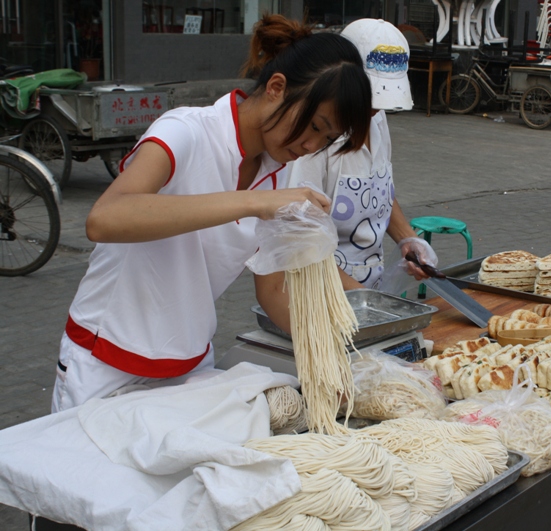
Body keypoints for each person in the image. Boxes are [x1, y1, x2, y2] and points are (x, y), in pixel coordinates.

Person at [50, 14, 373, 413]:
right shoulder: (185, 131)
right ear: (276, 88)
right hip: (106, 363)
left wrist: (328, 359)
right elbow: (106, 218)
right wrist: (252, 202)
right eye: (315, 126)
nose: (311, 145)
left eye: (326, 139)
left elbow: (273, 289)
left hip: (189, 365)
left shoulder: (278, 171)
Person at [257, 18, 436, 333]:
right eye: (369, 101)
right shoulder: (314, 140)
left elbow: (379, 190)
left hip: (367, 297)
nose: (374, 112)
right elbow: (297, 242)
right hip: (317, 300)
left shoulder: (378, 123)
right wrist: (369, 302)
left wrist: (408, 238)